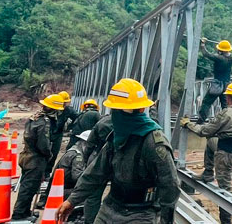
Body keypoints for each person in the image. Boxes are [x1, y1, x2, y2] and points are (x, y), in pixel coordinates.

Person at [57, 78, 179, 224]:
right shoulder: (116, 137)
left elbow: (170, 186)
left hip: (140, 213)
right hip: (111, 207)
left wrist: (165, 221)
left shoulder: (153, 143)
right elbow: (95, 173)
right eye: (115, 110)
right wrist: (72, 201)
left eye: (123, 110)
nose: (117, 115)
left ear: (139, 110)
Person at [181, 82, 232, 224]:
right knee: (212, 141)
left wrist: (188, 124)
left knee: (225, 191)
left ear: (228, 98)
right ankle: (207, 172)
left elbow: (204, 131)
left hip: (225, 154)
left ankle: (226, 221)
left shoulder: (226, 113)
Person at [12, 94, 63, 220]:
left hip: (27, 156)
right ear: (53, 109)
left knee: (27, 185)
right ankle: (19, 214)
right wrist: (49, 155)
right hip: (35, 159)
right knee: (29, 187)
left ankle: (25, 212)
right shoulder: (44, 122)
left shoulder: (34, 118)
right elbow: (43, 143)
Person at [36, 130, 91, 209]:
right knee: (89, 193)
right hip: (62, 191)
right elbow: (77, 177)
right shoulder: (78, 156)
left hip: (56, 189)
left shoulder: (72, 150)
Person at [82, 112, 114, 224]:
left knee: (93, 197)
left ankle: (90, 221)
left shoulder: (102, 122)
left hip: (98, 160)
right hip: (119, 163)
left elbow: (89, 145)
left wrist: (86, 162)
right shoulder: (133, 123)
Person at [197, 39, 232, 123]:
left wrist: (202, 45)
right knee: (225, 105)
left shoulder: (220, 58)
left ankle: (201, 120)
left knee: (206, 102)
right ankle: (227, 122)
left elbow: (206, 54)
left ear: (221, 50)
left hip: (217, 84)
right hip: (227, 85)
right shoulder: (231, 58)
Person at [46, 90, 79, 179]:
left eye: (65, 103)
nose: (64, 105)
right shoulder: (52, 108)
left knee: (54, 153)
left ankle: (47, 173)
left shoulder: (68, 110)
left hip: (58, 134)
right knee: (45, 152)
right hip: (48, 133)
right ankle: (41, 172)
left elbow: (78, 117)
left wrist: (70, 127)